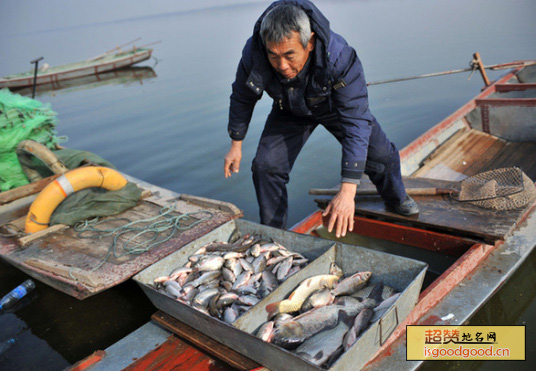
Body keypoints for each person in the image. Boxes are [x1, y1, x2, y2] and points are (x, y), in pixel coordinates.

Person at [224, 0, 418, 237]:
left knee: (380, 156)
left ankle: (396, 198)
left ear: (310, 42)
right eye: (273, 56)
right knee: (265, 166)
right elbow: (242, 96)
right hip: (289, 109)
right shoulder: (253, 53)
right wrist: (236, 142)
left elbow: (356, 121)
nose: (282, 65)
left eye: (289, 55)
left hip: (334, 105)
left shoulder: (339, 57)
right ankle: (274, 235)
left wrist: (347, 191)